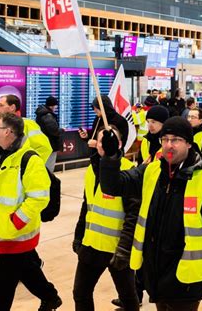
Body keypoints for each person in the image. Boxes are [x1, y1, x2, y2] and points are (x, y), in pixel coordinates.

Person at [99, 117, 202, 310]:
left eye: (176, 140)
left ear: (189, 143)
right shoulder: (151, 171)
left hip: (186, 281)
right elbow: (112, 186)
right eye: (165, 140)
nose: (169, 145)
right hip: (155, 275)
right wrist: (111, 157)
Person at [0, 112, 62, 311]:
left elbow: (39, 197)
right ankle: (50, 297)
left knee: (3, 283)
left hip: (17, 231)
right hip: (2, 228)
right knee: (26, 269)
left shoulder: (29, 160)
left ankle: (50, 297)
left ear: (8, 132)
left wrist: (17, 220)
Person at [72, 127, 140, 311]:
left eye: (106, 141)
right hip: (91, 244)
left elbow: (133, 215)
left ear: (118, 144)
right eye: (100, 141)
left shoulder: (128, 172)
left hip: (116, 248)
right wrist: (79, 236)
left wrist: (124, 249)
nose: (101, 145)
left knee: (128, 296)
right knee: (80, 293)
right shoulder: (92, 170)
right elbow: (87, 206)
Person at [0, 94, 53, 166]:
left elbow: (44, 148)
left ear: (12, 107)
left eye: (1, 105)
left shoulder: (27, 124)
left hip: (20, 173)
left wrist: (27, 166)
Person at [35, 96, 64, 172]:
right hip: (51, 145)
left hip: (44, 144)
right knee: (49, 169)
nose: (56, 108)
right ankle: (49, 183)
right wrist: (61, 130)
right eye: (55, 106)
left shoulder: (41, 114)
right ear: (52, 106)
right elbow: (54, 131)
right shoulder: (48, 116)